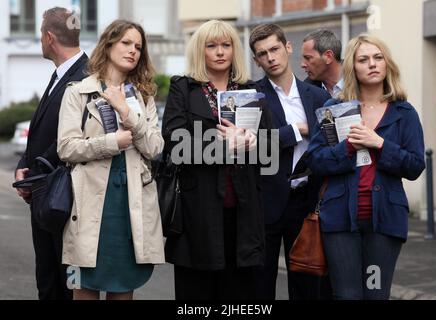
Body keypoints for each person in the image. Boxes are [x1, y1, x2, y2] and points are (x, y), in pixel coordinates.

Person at [307, 34, 426, 300]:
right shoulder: (333, 109)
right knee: (347, 295)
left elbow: (415, 165)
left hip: (384, 221)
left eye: (378, 57)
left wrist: (380, 144)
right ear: (353, 67)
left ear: (387, 65)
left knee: (375, 293)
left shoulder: (404, 113)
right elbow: (316, 160)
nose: (372, 64)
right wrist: (348, 147)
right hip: (339, 219)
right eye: (363, 59)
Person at [162, 20, 270, 300]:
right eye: (212, 46)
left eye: (226, 45)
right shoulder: (183, 88)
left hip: (244, 211)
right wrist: (224, 145)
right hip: (197, 211)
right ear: (201, 50)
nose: (220, 52)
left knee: (239, 295)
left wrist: (252, 142)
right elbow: (175, 144)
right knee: (196, 293)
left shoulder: (251, 89)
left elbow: (269, 148)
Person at [57, 20, 165, 300]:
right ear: (108, 44)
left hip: (130, 209)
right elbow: (66, 148)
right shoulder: (77, 91)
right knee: (81, 287)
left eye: (138, 47)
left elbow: (155, 148)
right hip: (88, 207)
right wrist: (110, 144)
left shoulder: (142, 96)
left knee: (123, 290)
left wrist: (126, 113)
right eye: (126, 43)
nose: (133, 51)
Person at [249, 23, 331, 300]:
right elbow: (253, 145)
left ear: (288, 47)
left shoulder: (319, 96)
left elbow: (332, 144)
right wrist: (299, 129)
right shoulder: (252, 96)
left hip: (306, 202)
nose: (270, 57)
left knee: (307, 288)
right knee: (260, 289)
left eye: (274, 49)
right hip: (265, 201)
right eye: (262, 54)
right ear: (256, 60)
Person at [14, 7, 88, 300]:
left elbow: (72, 135)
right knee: (47, 281)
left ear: (48, 37)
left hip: (66, 200)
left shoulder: (85, 76)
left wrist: (34, 172)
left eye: (40, 36)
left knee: (65, 285)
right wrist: (23, 164)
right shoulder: (61, 74)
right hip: (45, 193)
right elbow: (43, 129)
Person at [301, 29, 343, 98]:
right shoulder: (305, 93)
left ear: (328, 56)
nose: (302, 64)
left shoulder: (360, 82)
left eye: (308, 58)